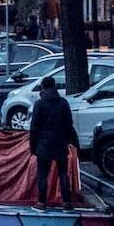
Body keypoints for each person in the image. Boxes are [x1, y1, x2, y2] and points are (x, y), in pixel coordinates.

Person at [28, 77, 78, 208]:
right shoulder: (63, 103)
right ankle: (66, 202)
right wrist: (69, 140)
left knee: (43, 174)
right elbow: (69, 124)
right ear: (55, 87)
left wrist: (32, 146)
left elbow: (34, 127)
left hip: (43, 144)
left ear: (43, 88)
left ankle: (41, 202)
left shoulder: (40, 104)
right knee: (63, 173)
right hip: (60, 142)